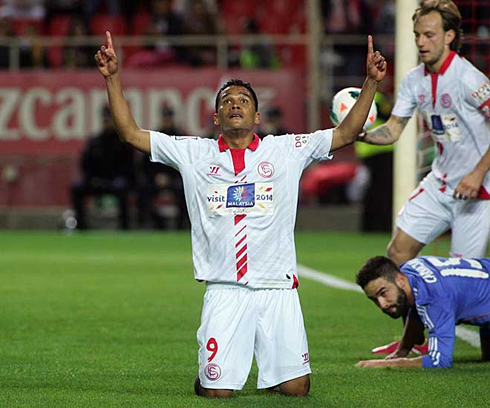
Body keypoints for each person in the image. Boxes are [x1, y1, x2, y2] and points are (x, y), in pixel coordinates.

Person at [95, 31, 386, 397]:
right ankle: (211, 375)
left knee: (296, 389)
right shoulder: (193, 153)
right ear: (216, 117)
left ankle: (261, 367)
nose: (235, 104)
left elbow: (345, 133)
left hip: (276, 286)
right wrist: (112, 77)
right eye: (227, 101)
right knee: (218, 393)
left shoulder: (286, 150)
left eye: (243, 100)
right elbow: (130, 133)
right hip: (224, 288)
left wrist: (371, 82)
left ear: (257, 115)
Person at [358, 0, 490, 355]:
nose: (420, 41)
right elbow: (394, 129)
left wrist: (478, 174)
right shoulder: (414, 79)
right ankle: (413, 339)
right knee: (398, 251)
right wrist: (362, 134)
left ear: (449, 36)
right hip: (440, 182)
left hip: (478, 191)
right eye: (417, 34)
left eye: (429, 34)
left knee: (460, 279)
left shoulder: (469, 79)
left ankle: (461, 337)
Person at [356, 255, 490, 368]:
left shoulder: (435, 298)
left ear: (400, 280)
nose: (382, 304)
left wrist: (394, 363)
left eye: (383, 293)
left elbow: (440, 362)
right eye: (374, 299)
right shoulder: (409, 269)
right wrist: (402, 350)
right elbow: (417, 309)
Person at [71, 106, 135, 230]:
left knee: (122, 187)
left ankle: (125, 226)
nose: (108, 123)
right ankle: (81, 226)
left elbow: (130, 167)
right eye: (106, 120)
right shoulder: (95, 142)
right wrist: (92, 179)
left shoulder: (124, 142)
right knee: (77, 187)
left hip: (116, 181)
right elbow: (85, 164)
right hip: (97, 181)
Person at [137, 107, 188, 229]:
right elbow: (145, 163)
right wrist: (156, 176)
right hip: (156, 178)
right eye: (165, 118)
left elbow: (188, 163)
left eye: (169, 118)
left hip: (176, 177)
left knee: (185, 189)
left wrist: (171, 177)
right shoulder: (155, 137)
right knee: (143, 190)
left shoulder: (181, 138)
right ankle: (149, 224)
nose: (167, 120)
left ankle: (182, 226)